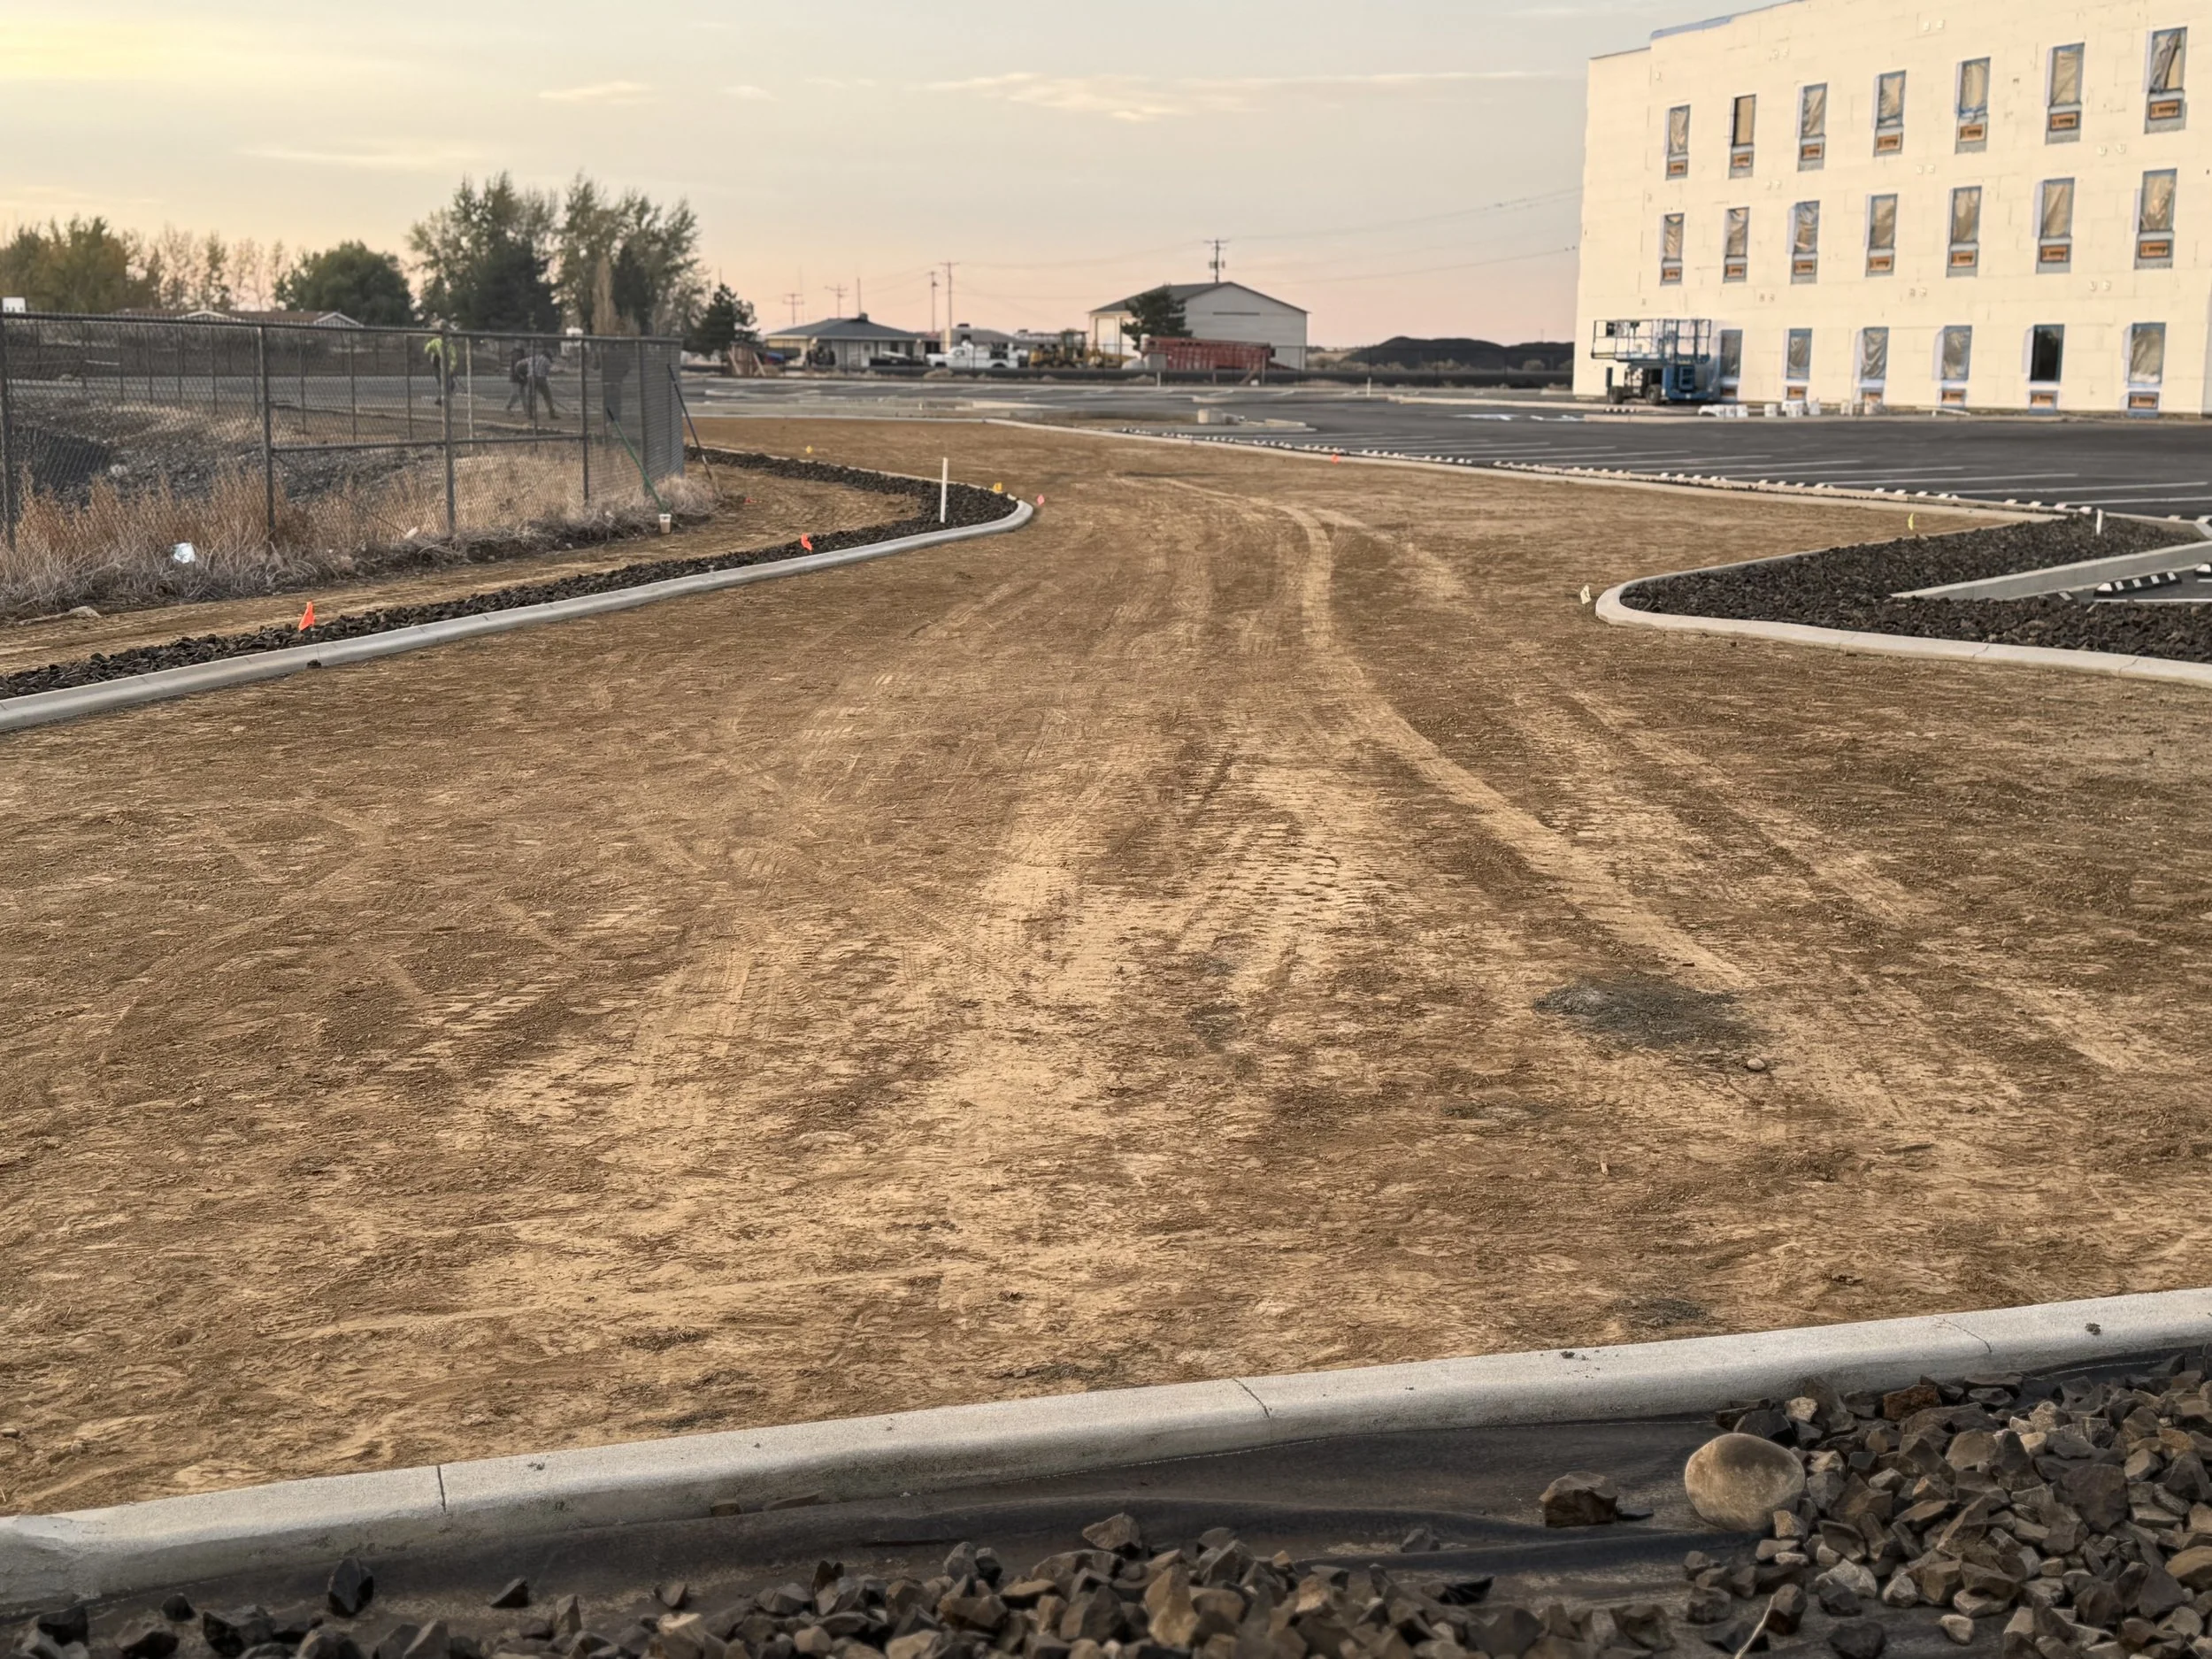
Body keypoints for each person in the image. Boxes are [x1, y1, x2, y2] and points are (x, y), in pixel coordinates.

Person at [526, 345, 559, 420]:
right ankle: (551, 413)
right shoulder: (546, 360)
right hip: (541, 378)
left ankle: (530, 414)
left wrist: (522, 374)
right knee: (547, 396)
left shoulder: (532, 358)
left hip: (531, 377)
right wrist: (545, 377)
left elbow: (520, 364)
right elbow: (547, 371)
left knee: (530, 397)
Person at [503, 347, 529, 412]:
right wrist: (521, 375)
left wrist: (525, 375)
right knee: (515, 394)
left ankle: (526, 410)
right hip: (515, 377)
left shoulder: (524, 354)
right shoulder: (517, 354)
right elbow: (517, 367)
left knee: (523, 394)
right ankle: (508, 407)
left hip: (523, 377)